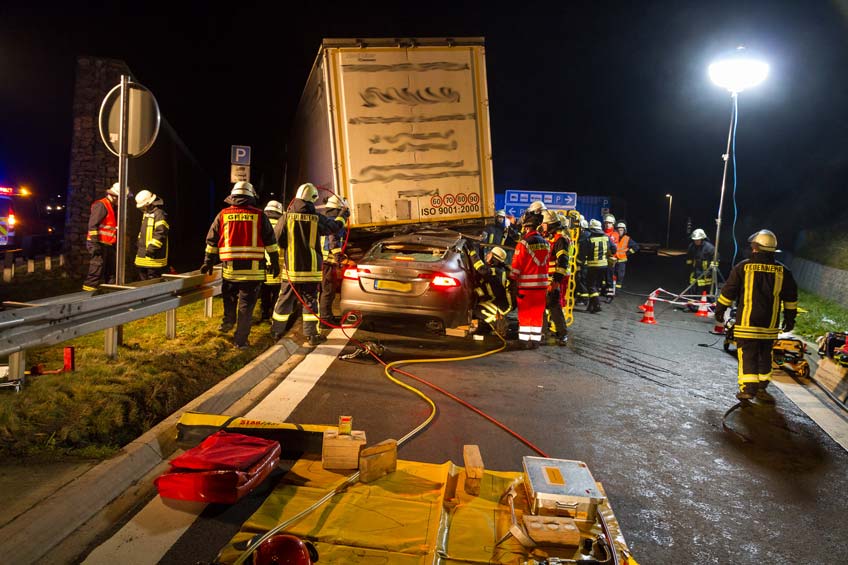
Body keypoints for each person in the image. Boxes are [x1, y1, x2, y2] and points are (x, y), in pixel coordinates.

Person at [714, 230, 798, 402]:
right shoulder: (784, 271)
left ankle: (748, 388)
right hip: (770, 325)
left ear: (756, 248)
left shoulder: (743, 267)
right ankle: (762, 383)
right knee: (765, 352)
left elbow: (728, 292)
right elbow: (791, 299)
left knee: (748, 354)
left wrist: (720, 310)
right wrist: (790, 320)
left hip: (747, 322)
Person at [201, 181, 279, 349]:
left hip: (230, 270)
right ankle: (240, 341)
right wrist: (274, 261)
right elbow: (270, 242)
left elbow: (212, 240)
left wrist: (208, 261)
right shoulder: (259, 215)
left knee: (229, 298)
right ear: (251, 197)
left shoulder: (223, 215)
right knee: (246, 308)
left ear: (233, 197)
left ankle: (228, 320)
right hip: (253, 272)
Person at [271, 183, 347, 347]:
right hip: (311, 270)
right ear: (312, 199)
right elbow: (334, 227)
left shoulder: (286, 217)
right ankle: (312, 336)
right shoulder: (317, 219)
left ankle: (276, 332)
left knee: (284, 300)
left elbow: (276, 239)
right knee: (310, 302)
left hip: (291, 269)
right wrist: (343, 214)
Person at [509, 202, 550, 348]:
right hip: (542, 287)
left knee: (525, 315)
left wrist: (512, 280)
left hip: (526, 288)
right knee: (537, 315)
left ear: (526, 227)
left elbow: (517, 266)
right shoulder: (546, 243)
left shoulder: (523, 243)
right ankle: (535, 341)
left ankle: (524, 341)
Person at [83, 183, 121, 291]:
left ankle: (110, 295)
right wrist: (95, 244)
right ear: (114, 196)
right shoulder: (101, 205)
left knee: (111, 271)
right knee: (96, 271)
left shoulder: (111, 206)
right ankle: (87, 297)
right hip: (98, 243)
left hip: (108, 244)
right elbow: (92, 225)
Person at [540, 209, 570, 345]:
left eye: (545, 224)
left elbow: (563, 262)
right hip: (543, 280)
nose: (543, 227)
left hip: (552, 280)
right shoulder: (547, 239)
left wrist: (556, 281)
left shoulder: (560, 240)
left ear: (551, 225)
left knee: (554, 307)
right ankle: (544, 332)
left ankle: (562, 334)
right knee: (543, 306)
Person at [319, 194, 348, 327]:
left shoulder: (325, 219)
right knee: (328, 291)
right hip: (328, 262)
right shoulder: (334, 221)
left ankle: (326, 316)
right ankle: (325, 319)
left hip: (322, 261)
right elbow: (333, 241)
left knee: (325, 290)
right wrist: (338, 257)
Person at [472, 246, 513, 335]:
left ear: (494, 258)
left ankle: (499, 324)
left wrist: (472, 252)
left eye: (490, 254)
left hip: (502, 304)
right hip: (497, 301)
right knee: (479, 304)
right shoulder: (497, 269)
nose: (487, 255)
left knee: (478, 310)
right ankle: (486, 327)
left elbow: (481, 269)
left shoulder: (495, 271)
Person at [578, 219, 615, 313]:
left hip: (592, 266)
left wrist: (579, 263)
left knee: (590, 285)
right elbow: (614, 249)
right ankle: (592, 307)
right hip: (604, 266)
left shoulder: (589, 239)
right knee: (595, 286)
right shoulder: (607, 237)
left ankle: (597, 304)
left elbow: (582, 254)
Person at [133, 189, 169, 280]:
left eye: (143, 206)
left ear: (149, 203)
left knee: (152, 284)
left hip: (154, 258)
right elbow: (143, 233)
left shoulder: (159, 214)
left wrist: (151, 249)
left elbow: (161, 233)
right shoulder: (147, 214)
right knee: (143, 283)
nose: (142, 209)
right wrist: (138, 244)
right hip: (142, 257)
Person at [259, 200, 284, 321]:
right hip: (278, 264)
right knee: (277, 292)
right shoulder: (283, 224)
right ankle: (273, 314)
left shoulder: (260, 223)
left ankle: (264, 313)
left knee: (264, 291)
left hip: (262, 263)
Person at [687, 228, 716, 296]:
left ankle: (709, 304)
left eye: (698, 240)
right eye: (695, 240)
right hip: (695, 270)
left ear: (702, 239)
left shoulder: (709, 247)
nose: (696, 241)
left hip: (706, 271)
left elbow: (715, 258)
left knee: (706, 289)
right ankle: (692, 304)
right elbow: (689, 258)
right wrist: (689, 268)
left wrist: (710, 270)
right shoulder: (691, 246)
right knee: (693, 287)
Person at [613, 221, 639, 290]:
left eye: (621, 230)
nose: (620, 231)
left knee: (620, 276)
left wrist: (627, 253)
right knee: (612, 275)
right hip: (613, 260)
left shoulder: (627, 239)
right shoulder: (613, 237)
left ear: (624, 230)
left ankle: (617, 290)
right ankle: (611, 289)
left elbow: (636, 247)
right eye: (618, 230)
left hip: (621, 261)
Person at [602, 214, 619, 301]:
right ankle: (603, 292)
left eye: (609, 223)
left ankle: (610, 295)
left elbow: (613, 248)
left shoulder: (614, 234)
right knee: (601, 276)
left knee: (609, 277)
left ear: (613, 224)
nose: (607, 224)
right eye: (606, 223)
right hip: (602, 258)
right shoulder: (603, 232)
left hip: (610, 259)